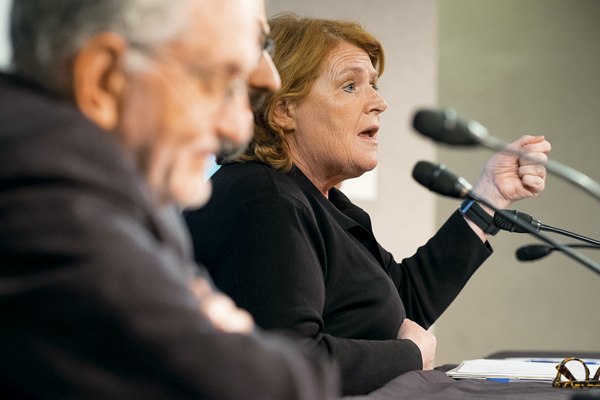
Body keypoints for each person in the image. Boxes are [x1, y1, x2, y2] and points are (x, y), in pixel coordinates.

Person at [184, 14, 552, 396]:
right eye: (350, 86)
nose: (379, 103)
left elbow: (403, 302)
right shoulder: (265, 201)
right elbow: (287, 361)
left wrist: (490, 197)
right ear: (284, 109)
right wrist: (409, 355)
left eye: (374, 86)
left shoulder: (321, 202)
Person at [0, 1, 340, 398]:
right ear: (104, 79)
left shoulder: (72, 181)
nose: (236, 126)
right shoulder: (47, 206)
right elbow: (274, 388)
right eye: (219, 82)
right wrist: (229, 338)